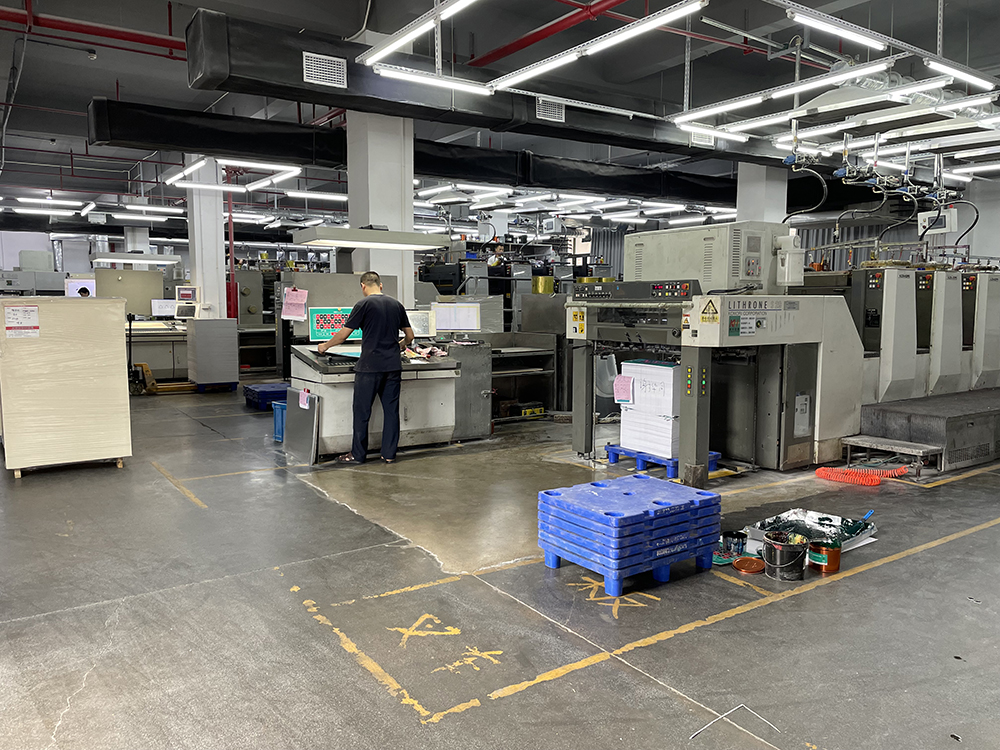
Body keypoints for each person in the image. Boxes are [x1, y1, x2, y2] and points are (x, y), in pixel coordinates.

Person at [318, 271, 414, 465]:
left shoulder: (363, 305)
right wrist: (400, 345)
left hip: (369, 367)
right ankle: (389, 454)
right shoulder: (397, 305)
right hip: (392, 366)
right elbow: (410, 336)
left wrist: (325, 346)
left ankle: (358, 454)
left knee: (362, 412)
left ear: (363, 286)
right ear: (381, 285)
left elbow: (344, 335)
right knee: (391, 411)